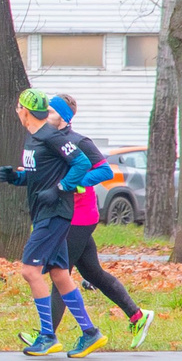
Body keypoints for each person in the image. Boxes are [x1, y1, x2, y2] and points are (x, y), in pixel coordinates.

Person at [1, 88, 108, 357]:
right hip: (42, 213)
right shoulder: (34, 138)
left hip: (56, 213)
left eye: (18, 107)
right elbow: (39, 174)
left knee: (30, 271)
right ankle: (90, 332)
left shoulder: (51, 136)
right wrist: (16, 178)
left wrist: (61, 187)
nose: (17, 111)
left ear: (24, 110)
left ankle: (47, 336)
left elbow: (82, 164)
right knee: (60, 273)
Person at [44, 93, 157, 346]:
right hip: (66, 215)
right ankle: (137, 315)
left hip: (81, 216)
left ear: (63, 117)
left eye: (50, 111)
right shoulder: (50, 141)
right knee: (92, 273)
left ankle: (46, 335)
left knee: (60, 273)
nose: (45, 115)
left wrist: (75, 183)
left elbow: (105, 171)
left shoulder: (79, 141)